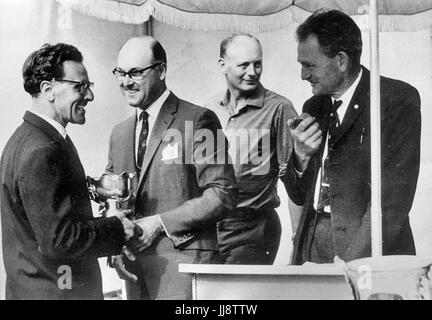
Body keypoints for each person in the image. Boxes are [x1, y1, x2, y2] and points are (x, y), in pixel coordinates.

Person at [0, 43, 140, 300]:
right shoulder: (42, 149)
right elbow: (59, 239)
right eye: (80, 87)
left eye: (89, 87)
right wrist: (117, 229)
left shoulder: (24, 140)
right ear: (48, 89)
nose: (89, 96)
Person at [107, 36, 237, 300]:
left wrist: (159, 223)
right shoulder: (119, 134)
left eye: (135, 73)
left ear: (162, 70)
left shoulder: (198, 119)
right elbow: (112, 199)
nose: (125, 81)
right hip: (133, 270)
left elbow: (222, 194)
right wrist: (114, 243)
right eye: (120, 73)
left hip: (184, 268)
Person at [287, 9, 421, 264]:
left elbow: (390, 204)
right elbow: (297, 195)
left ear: (340, 60)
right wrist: (301, 157)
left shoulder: (395, 101)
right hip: (312, 246)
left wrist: (353, 264)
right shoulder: (313, 107)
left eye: (309, 66)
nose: (303, 75)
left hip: (365, 250)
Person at [204, 34, 298, 264]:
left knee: (240, 297)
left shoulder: (280, 108)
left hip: (254, 229)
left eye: (258, 64)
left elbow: (297, 181)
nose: (253, 72)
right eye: (244, 65)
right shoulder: (208, 110)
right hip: (211, 228)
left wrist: (299, 239)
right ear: (222, 65)